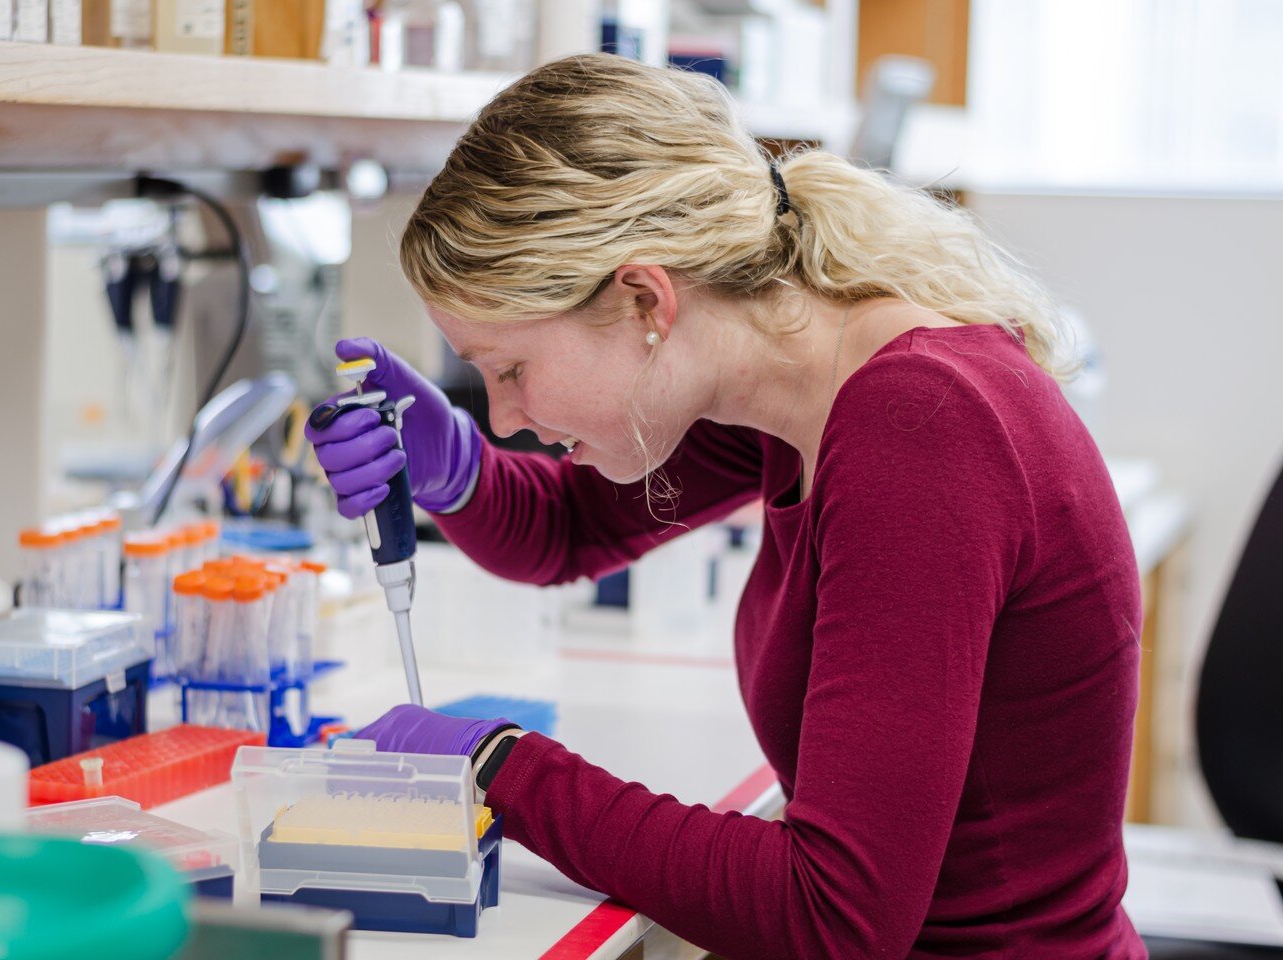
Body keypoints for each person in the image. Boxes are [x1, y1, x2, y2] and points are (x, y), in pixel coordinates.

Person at [306, 54, 1145, 959]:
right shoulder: (791, 378)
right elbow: (565, 529)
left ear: (644, 301)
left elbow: (833, 917)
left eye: (511, 371)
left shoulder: (919, 427)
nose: (505, 416)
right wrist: (455, 467)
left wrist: (500, 768)